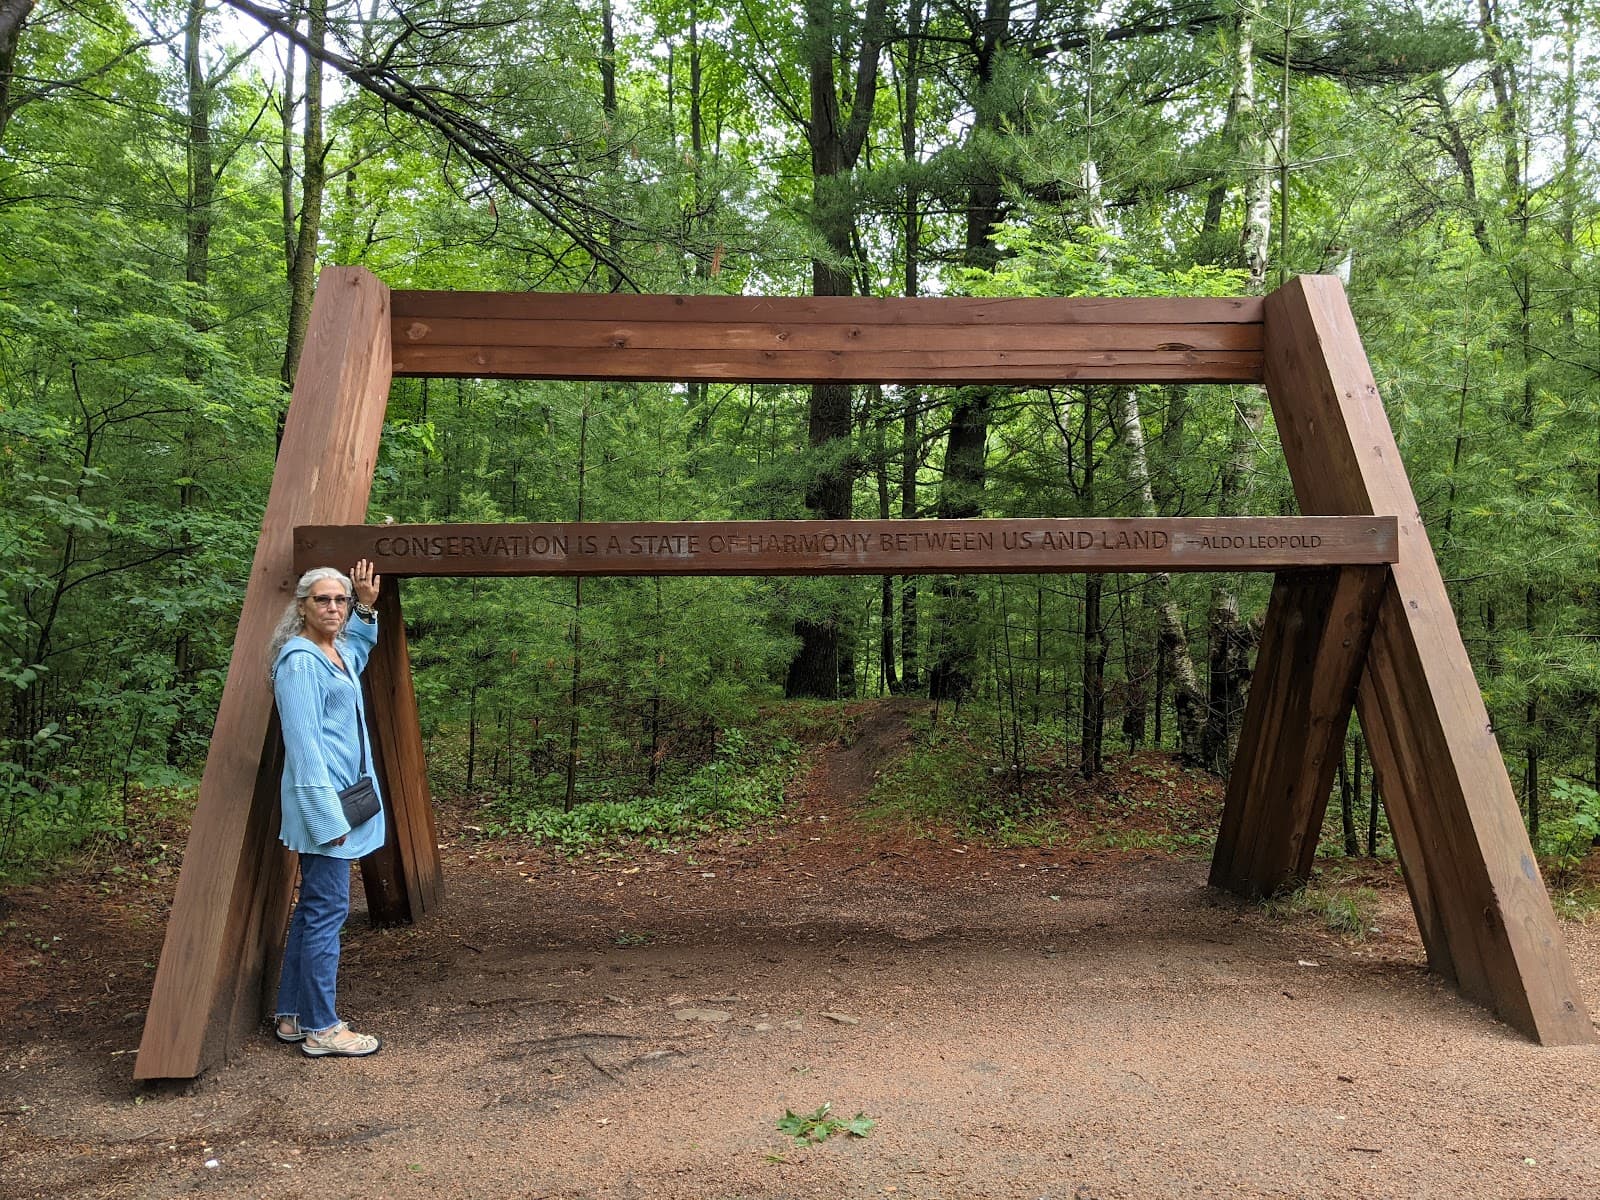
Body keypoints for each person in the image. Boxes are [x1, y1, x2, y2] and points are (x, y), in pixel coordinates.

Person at [267, 559, 386, 1058]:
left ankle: (293, 1016)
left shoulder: (333, 654)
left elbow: (358, 649)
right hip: (326, 809)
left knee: (315, 909)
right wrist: (326, 818)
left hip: (339, 804)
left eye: (339, 600)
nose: (333, 607)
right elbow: (303, 746)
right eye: (324, 599)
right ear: (302, 607)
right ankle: (321, 1027)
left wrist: (365, 605)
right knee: (327, 912)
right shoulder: (298, 662)